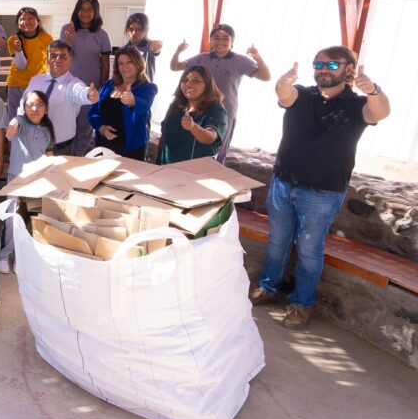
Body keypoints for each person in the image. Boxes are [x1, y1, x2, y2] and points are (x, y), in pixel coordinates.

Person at [251, 47, 390, 330]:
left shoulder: (357, 104)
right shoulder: (302, 94)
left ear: (349, 69)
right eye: (319, 63)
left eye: (332, 64)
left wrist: (374, 90)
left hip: (323, 193)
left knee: (309, 249)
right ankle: (269, 287)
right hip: (283, 183)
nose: (323, 69)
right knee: (277, 241)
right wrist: (284, 81)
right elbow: (283, 94)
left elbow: (381, 112)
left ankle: (302, 303)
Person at [170, 23, 271, 162]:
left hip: (225, 111)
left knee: (218, 149)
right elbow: (175, 67)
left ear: (232, 41)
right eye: (216, 38)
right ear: (210, 41)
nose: (220, 42)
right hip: (200, 109)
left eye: (226, 38)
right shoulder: (202, 58)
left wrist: (258, 57)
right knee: (195, 144)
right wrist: (177, 52)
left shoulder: (240, 60)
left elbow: (265, 77)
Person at [1, 89, 56, 272]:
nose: (34, 108)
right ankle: (5, 255)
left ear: (46, 109)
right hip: (17, 178)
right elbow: (12, 128)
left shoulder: (48, 129)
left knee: (32, 219)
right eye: (29, 104)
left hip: (37, 182)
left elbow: (50, 156)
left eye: (39, 104)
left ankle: (22, 257)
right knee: (12, 218)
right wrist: (11, 130)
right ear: (24, 107)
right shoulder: (20, 121)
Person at [26, 41, 100, 154]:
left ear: (71, 61)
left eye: (63, 56)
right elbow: (23, 106)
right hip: (31, 146)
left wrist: (89, 95)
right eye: (54, 56)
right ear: (47, 59)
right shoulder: (35, 80)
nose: (57, 59)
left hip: (60, 150)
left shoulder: (74, 83)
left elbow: (80, 92)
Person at [59, 0, 112, 156]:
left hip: (90, 89)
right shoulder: (66, 30)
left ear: (96, 12)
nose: (86, 13)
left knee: (85, 127)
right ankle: (64, 160)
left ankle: (78, 159)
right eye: (82, 9)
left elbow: (105, 63)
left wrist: (102, 87)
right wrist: (68, 40)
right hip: (68, 88)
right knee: (66, 126)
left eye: (90, 10)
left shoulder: (102, 35)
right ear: (77, 11)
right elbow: (61, 57)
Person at [88, 46, 157, 160]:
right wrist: (100, 127)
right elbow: (93, 112)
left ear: (138, 63)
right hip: (104, 145)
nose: (124, 67)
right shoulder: (108, 85)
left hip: (131, 148)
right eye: (121, 63)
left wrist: (132, 101)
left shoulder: (148, 88)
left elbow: (144, 106)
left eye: (129, 62)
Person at [157, 66, 229, 164]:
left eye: (196, 80)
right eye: (185, 80)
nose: (189, 84)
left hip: (196, 172)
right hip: (166, 169)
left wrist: (193, 127)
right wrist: (157, 164)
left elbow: (210, 137)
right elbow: (164, 137)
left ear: (207, 85)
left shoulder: (216, 110)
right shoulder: (175, 106)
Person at [5, 7, 53, 122]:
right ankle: (13, 140)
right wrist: (18, 50)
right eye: (22, 19)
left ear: (38, 21)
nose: (26, 22)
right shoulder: (13, 40)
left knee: (35, 118)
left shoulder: (47, 38)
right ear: (18, 23)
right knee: (15, 119)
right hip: (16, 84)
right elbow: (21, 65)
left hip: (37, 85)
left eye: (31, 18)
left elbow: (51, 62)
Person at [124, 12, 162, 81]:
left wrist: (157, 47)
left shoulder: (150, 46)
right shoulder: (123, 50)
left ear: (146, 30)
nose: (134, 33)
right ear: (127, 30)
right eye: (131, 29)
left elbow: (157, 48)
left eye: (138, 29)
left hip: (146, 88)